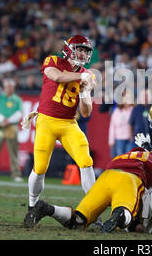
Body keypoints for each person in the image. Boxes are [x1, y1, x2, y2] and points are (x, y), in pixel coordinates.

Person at [23, 35, 97, 228]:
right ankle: (32, 206)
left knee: (86, 161)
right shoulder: (53, 60)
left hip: (69, 123)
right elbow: (56, 76)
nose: (83, 54)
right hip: (47, 120)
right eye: (80, 49)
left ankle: (93, 209)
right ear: (69, 49)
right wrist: (81, 77)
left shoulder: (86, 74)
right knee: (39, 168)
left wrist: (85, 92)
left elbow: (86, 112)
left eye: (86, 51)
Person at [21, 148, 152, 232]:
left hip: (105, 178)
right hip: (129, 180)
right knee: (125, 210)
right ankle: (121, 215)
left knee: (78, 221)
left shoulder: (128, 155)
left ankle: (48, 209)